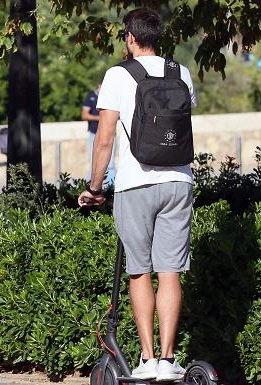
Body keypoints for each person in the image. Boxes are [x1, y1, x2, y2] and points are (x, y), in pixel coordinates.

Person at [78, 8, 196, 382]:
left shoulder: (117, 75)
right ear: (157, 36)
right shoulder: (182, 73)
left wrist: (95, 188)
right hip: (179, 181)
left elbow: (105, 139)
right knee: (170, 271)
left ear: (129, 38)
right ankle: (167, 359)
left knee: (139, 271)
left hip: (135, 183)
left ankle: (146, 360)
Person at [82, 82, 116, 185]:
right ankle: (94, 187)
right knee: (95, 161)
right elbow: (84, 115)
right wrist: (101, 118)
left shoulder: (111, 96)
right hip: (94, 132)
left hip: (110, 133)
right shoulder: (91, 96)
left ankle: (110, 187)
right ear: (98, 86)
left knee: (110, 163)